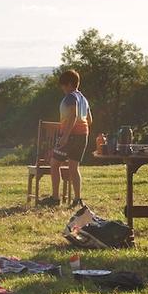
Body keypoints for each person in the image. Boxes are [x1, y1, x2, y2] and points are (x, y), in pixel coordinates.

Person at [41, 69, 92, 208]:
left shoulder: (70, 97)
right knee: (74, 168)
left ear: (69, 84)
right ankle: (77, 199)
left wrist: (65, 136)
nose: (62, 89)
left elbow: (73, 115)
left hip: (70, 136)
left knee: (54, 164)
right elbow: (89, 119)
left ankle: (55, 198)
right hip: (83, 135)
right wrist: (82, 130)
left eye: (63, 85)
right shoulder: (84, 99)